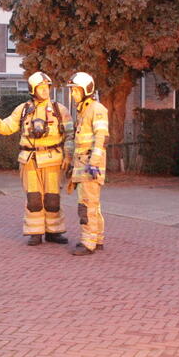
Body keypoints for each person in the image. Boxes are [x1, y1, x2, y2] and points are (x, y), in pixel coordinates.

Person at [0, 72, 74, 246]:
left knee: (52, 199)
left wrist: (68, 156)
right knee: (34, 199)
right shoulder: (23, 109)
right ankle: (35, 232)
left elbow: (70, 134)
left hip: (53, 161)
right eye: (41, 88)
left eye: (47, 87)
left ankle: (54, 232)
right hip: (29, 161)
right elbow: (8, 126)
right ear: (33, 90)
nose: (45, 91)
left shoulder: (60, 110)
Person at [66, 72, 109, 256]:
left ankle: (88, 243)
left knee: (86, 206)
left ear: (86, 90)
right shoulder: (84, 110)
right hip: (83, 165)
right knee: (93, 205)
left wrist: (94, 163)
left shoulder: (96, 109)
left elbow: (101, 137)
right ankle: (97, 239)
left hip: (90, 167)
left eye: (76, 90)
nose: (73, 94)